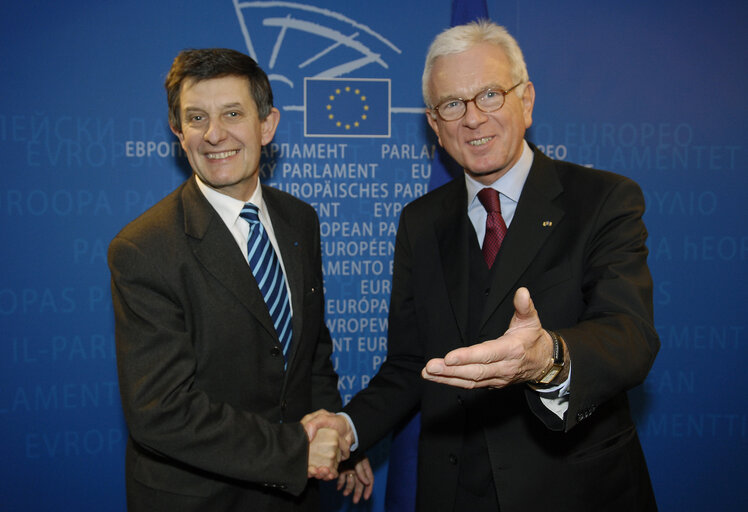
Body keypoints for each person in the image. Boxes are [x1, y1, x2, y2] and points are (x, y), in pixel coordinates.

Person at [303, 20, 659, 511]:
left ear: (526, 101)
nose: (472, 118)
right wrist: (348, 427)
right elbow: (411, 364)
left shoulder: (603, 199)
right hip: (452, 493)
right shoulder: (419, 221)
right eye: (452, 104)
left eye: (490, 94)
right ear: (434, 124)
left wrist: (548, 358)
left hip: (575, 489)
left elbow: (630, 337)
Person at [108, 48, 372, 511]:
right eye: (196, 118)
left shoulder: (300, 220)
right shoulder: (143, 249)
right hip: (202, 499)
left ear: (267, 125)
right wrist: (299, 452)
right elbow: (161, 410)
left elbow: (311, 349)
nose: (214, 135)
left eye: (232, 113)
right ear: (178, 133)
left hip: (299, 495)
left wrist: (334, 435)